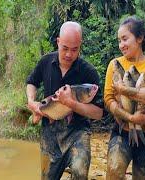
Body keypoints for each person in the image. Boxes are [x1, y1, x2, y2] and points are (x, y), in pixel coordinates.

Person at [26, 21, 103, 180]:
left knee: (80, 171)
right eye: (65, 48)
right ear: (58, 41)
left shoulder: (89, 73)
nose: (69, 54)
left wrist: (71, 104)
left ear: (80, 45)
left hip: (78, 132)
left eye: (74, 49)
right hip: (50, 132)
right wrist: (32, 102)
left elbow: (99, 113)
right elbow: (32, 82)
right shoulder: (46, 61)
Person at [104, 16, 145, 179]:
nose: (121, 45)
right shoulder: (114, 64)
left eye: (125, 39)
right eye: (119, 40)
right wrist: (131, 117)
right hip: (121, 131)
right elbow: (108, 99)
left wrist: (123, 90)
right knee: (114, 172)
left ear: (139, 38)